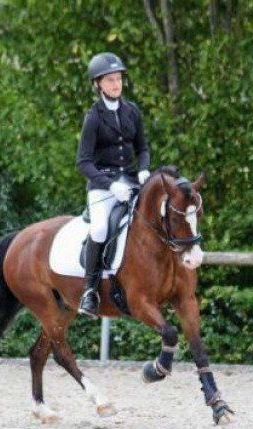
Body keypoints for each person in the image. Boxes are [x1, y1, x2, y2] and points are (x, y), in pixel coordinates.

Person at [76, 52, 151, 319]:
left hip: (132, 182)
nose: (116, 84)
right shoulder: (93, 117)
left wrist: (143, 169)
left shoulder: (132, 111)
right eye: (110, 80)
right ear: (98, 85)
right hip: (102, 187)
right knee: (98, 230)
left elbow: (142, 148)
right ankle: (90, 291)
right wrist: (109, 185)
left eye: (118, 79)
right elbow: (83, 162)